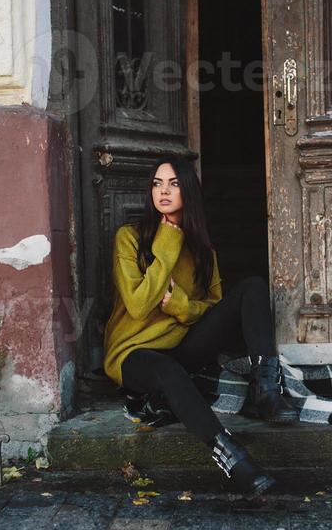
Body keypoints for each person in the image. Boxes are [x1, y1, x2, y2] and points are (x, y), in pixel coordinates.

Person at [103, 158, 299, 498]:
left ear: (188, 191)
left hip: (182, 344)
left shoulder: (202, 250)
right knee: (165, 369)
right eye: (157, 183)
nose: (163, 191)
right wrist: (165, 242)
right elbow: (137, 305)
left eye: (174, 183)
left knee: (251, 288)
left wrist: (179, 305)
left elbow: (213, 306)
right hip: (134, 353)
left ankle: (267, 391)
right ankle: (234, 461)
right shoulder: (130, 238)